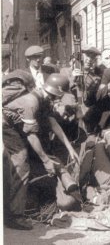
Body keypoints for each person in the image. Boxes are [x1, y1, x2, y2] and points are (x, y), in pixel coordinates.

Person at [3, 72, 78, 230]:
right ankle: (14, 216)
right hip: (6, 126)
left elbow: (51, 121)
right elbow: (31, 136)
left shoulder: (43, 97)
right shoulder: (32, 101)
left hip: (13, 125)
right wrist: (46, 161)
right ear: (57, 93)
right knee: (21, 162)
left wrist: (69, 147)